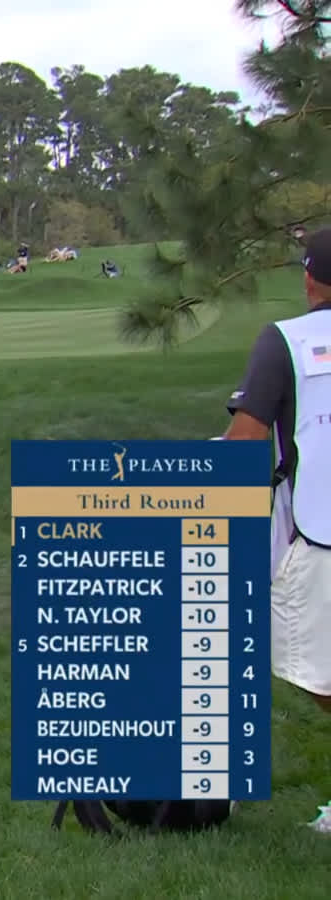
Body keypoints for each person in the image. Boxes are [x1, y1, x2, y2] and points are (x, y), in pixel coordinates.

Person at [222, 226, 331, 832]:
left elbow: (245, 442)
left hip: (315, 531)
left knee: (273, 652)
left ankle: (212, 785)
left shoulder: (285, 340)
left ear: (311, 278)